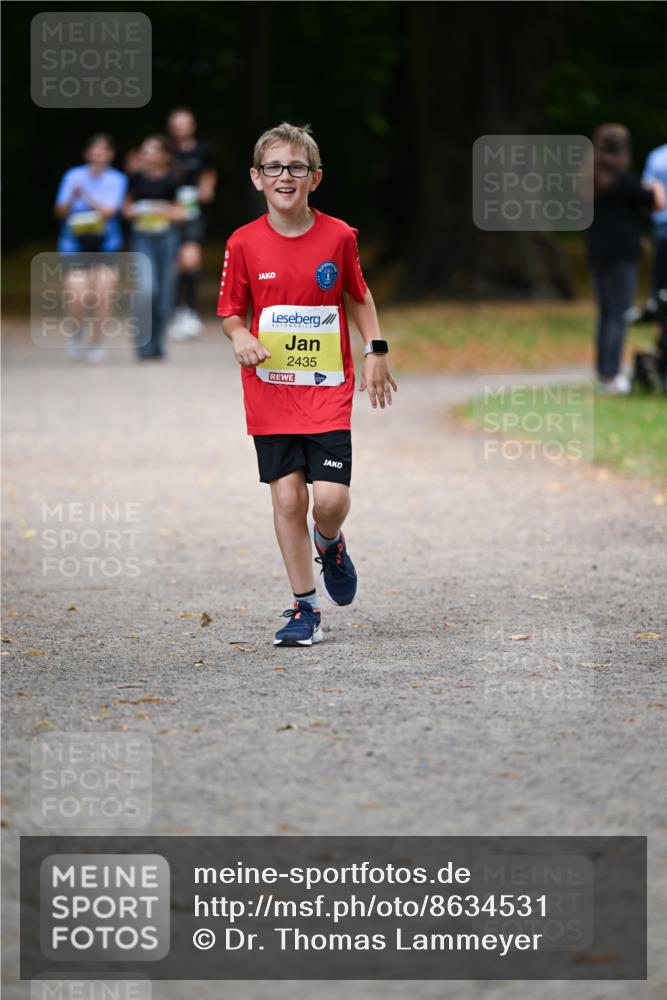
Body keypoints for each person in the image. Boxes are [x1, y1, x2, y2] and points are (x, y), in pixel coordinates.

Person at [217, 122, 397, 647]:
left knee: (330, 500)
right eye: (273, 167)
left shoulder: (338, 235)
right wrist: (240, 335)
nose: (285, 176)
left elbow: (358, 296)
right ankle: (304, 607)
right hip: (270, 388)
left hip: (325, 387)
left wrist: (376, 350)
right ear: (256, 178)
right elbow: (229, 311)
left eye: (296, 167)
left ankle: (331, 543)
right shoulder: (243, 242)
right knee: (288, 499)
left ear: (315, 177)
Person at [585, 123, 665, 394]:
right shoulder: (623, 179)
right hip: (622, 256)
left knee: (606, 313)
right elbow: (654, 201)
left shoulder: (591, 178)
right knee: (619, 314)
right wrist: (655, 186)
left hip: (597, 253)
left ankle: (603, 373)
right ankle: (613, 376)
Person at [54, 133, 127, 363]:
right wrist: (69, 200)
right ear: (87, 153)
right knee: (78, 296)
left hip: (106, 245)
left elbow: (109, 211)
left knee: (102, 297)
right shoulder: (72, 176)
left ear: (110, 155)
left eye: (103, 150)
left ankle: (96, 343)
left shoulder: (117, 179)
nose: (98, 154)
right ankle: (77, 333)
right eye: (94, 150)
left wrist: (83, 195)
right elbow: (60, 212)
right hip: (74, 244)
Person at [124, 136, 185, 360]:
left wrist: (163, 210)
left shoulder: (173, 180)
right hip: (142, 239)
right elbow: (126, 208)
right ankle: (142, 345)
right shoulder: (135, 178)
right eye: (144, 151)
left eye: (151, 150)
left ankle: (157, 344)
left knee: (164, 295)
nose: (146, 155)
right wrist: (134, 211)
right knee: (146, 290)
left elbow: (182, 213)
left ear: (164, 155)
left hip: (167, 239)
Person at [166, 107, 218, 339]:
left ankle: (191, 311)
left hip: (194, 211)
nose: (180, 128)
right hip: (169, 211)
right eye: (176, 124)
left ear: (192, 125)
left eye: (184, 123)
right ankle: (176, 310)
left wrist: (207, 187)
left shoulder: (203, 149)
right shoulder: (165, 150)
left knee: (191, 259)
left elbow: (209, 173)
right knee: (176, 262)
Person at [642, 142, 667, 385]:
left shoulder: (658, 157)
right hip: (662, 231)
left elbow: (649, 197)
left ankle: (661, 350)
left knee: (660, 295)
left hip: (662, 231)